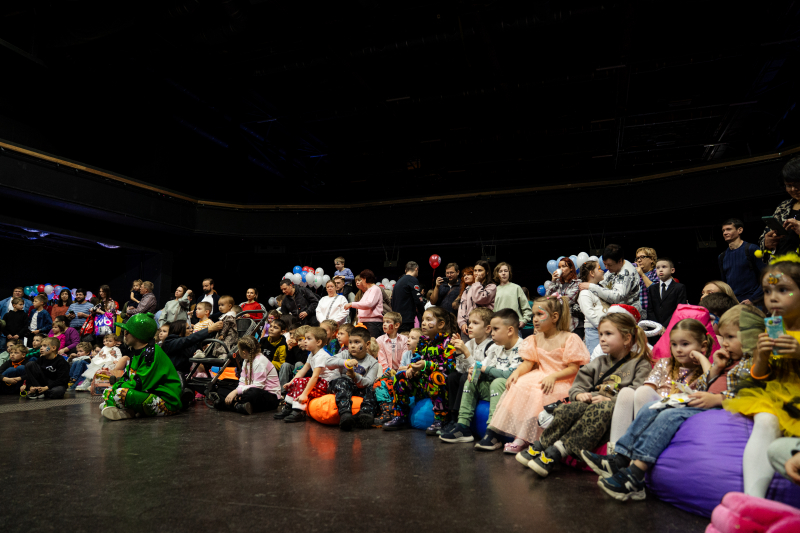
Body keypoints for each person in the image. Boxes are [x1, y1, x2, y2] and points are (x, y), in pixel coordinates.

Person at [583, 309, 752, 501]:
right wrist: (717, 369)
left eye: (730, 337)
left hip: (709, 408)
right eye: (723, 337)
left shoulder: (747, 364)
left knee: (667, 415)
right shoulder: (727, 362)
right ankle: (620, 457)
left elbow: (741, 394)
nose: (725, 342)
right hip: (694, 402)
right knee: (650, 408)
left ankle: (635, 473)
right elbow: (707, 385)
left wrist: (714, 386)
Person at [520, 309, 653, 477]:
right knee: (566, 409)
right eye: (600, 334)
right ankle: (542, 444)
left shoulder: (640, 364)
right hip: (590, 403)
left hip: (614, 410)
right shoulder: (599, 362)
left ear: (627, 338)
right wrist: (579, 395)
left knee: (602, 409)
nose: (602, 338)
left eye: (608, 334)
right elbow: (578, 385)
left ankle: (557, 451)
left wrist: (610, 400)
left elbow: (635, 392)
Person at [723, 254, 800, 497]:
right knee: (766, 419)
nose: (773, 297)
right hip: (775, 394)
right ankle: (752, 499)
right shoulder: (771, 327)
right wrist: (762, 357)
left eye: (783, 290)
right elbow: (758, 376)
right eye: (767, 291)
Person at [487, 296, 589, 454]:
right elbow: (528, 363)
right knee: (520, 385)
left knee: (539, 392)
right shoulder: (535, 339)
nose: (534, 319)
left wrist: (554, 377)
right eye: (533, 314)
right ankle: (522, 437)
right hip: (540, 375)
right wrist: (516, 372)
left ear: (554, 317)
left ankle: (539, 440)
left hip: (562, 379)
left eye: (540, 314)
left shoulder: (569, 338)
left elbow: (574, 368)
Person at [607, 317, 708, 449]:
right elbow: (646, 391)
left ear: (703, 346)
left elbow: (711, 381)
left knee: (643, 392)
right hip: (652, 409)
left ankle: (638, 448)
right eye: (674, 344)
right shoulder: (664, 363)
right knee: (627, 392)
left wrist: (701, 358)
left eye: (685, 344)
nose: (678, 349)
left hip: (676, 414)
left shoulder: (705, 369)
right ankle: (614, 450)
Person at [440, 308, 525, 446]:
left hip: (513, 392)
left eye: (496, 329)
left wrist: (483, 369)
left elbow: (509, 375)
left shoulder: (522, 347)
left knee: (498, 381)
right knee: (471, 379)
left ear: (510, 330)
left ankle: (493, 432)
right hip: (495, 390)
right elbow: (480, 366)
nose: (492, 333)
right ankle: (462, 427)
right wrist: (474, 371)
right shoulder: (496, 347)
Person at [383, 307, 458, 433]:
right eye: (423, 320)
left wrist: (427, 365)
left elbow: (450, 368)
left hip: (440, 386)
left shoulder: (448, 342)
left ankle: (441, 419)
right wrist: (412, 368)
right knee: (400, 376)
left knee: (436, 376)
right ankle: (401, 416)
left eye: (428, 320)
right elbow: (416, 358)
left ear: (441, 324)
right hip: (423, 384)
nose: (423, 323)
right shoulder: (423, 341)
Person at [100, 313, 184, 420]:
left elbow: (139, 383)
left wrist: (117, 388)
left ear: (137, 334)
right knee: (108, 391)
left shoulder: (152, 352)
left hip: (167, 402)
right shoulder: (136, 352)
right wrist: (115, 387)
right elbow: (127, 377)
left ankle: (123, 409)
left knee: (120, 393)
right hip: (149, 394)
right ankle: (125, 409)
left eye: (127, 332)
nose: (125, 335)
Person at [441, 308, 495, 434]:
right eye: (469, 322)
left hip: (484, 382)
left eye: (475, 323)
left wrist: (466, 352)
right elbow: (460, 369)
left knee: (465, 377)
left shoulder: (492, 346)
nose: (470, 326)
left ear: (487, 329)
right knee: (453, 377)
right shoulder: (470, 343)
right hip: (470, 379)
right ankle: (452, 418)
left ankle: (460, 420)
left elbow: (478, 371)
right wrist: (459, 353)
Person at [275, 326, 339, 423]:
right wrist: (291, 382)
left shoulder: (321, 355)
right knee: (297, 380)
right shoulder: (312, 354)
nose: (305, 341)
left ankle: (299, 411)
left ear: (318, 342)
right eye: (305, 338)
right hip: (320, 382)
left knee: (301, 381)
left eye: (309, 339)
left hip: (327, 384)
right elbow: (302, 371)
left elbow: (315, 376)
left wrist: (304, 394)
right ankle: (289, 406)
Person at [324, 327, 381, 430]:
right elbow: (328, 362)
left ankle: (365, 414)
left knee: (374, 388)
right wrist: (345, 362)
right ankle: (345, 414)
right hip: (344, 386)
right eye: (350, 342)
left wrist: (355, 376)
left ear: (367, 344)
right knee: (341, 381)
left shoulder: (373, 362)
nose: (352, 345)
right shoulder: (346, 354)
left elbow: (368, 382)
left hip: (360, 388)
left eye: (357, 342)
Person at [212, 336, 282, 415]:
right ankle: (239, 406)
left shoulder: (260, 361)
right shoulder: (246, 360)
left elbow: (259, 386)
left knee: (252, 394)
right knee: (223, 386)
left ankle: (231, 404)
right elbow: (242, 381)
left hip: (270, 397)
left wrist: (236, 392)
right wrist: (237, 393)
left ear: (244, 352)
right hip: (249, 391)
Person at [579, 244, 642, 316]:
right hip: (617, 312)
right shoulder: (614, 268)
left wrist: (591, 286)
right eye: (604, 264)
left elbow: (617, 297)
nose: (606, 267)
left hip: (629, 314)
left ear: (620, 261)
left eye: (609, 265)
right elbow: (603, 284)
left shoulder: (626, 272)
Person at [759, 157, 800, 258]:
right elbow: (763, 238)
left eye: (797, 184)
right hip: (781, 265)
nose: (793, 189)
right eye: (789, 185)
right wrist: (766, 242)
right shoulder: (783, 207)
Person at [719, 218, 764, 304]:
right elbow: (724, 284)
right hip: (733, 303)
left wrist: (753, 299)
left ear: (740, 230)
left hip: (753, 302)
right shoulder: (722, 256)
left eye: (729, 229)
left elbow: (766, 277)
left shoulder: (752, 249)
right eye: (723, 230)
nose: (725, 233)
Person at [457, 260, 497, 336]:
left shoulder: (491, 287)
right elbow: (462, 306)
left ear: (487, 272)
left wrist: (477, 283)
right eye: (475, 271)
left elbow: (478, 299)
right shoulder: (468, 288)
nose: (477, 273)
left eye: (480, 270)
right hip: (468, 323)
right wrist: (462, 322)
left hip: (483, 323)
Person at [647, 258, 688, 329]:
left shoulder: (679, 287)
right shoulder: (652, 288)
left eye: (664, 267)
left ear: (672, 270)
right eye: (658, 268)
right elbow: (650, 310)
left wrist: (665, 326)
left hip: (672, 327)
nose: (660, 270)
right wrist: (656, 327)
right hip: (655, 328)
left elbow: (679, 309)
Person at [579, 260, 609, 353]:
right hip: (594, 331)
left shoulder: (601, 290)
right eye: (599, 268)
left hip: (604, 328)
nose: (602, 270)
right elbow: (590, 314)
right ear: (592, 273)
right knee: (596, 357)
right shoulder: (585, 293)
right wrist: (602, 327)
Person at [546, 257, 583, 333]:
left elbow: (567, 300)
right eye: (559, 267)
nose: (561, 269)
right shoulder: (557, 283)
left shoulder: (577, 283)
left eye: (564, 266)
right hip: (560, 323)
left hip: (574, 323)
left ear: (571, 268)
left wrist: (554, 301)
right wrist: (553, 281)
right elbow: (547, 298)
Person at [493, 263, 532, 331]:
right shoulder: (494, 290)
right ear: (497, 274)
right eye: (500, 271)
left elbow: (526, 307)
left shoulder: (516, 288)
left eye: (506, 271)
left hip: (515, 326)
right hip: (499, 326)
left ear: (509, 273)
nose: (503, 273)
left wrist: (524, 320)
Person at [345, 270, 384, 338]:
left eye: (361, 279)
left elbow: (369, 304)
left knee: (371, 343)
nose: (361, 282)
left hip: (372, 323)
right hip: (364, 322)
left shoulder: (375, 289)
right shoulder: (368, 290)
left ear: (365, 279)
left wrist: (351, 304)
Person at [391, 261, 426, 331]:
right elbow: (418, 299)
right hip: (406, 319)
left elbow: (392, 300)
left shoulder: (399, 281)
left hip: (397, 318)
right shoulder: (412, 279)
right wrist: (424, 313)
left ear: (405, 270)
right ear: (416, 269)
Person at [0, 287, 31, 352]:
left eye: (23, 305)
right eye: (20, 304)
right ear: (14, 305)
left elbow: (25, 326)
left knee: (19, 350)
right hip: (8, 337)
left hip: (19, 337)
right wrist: (7, 334)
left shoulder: (24, 315)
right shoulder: (7, 315)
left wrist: (18, 334)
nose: (22, 306)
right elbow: (4, 326)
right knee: (6, 350)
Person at [634, 247, 659, 319]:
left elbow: (655, 291)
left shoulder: (656, 272)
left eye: (642, 257)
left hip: (651, 313)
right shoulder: (634, 274)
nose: (639, 260)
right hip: (636, 313)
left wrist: (642, 274)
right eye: (637, 258)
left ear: (651, 259)